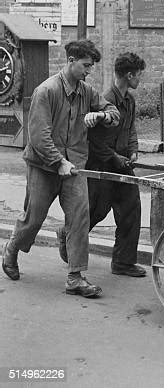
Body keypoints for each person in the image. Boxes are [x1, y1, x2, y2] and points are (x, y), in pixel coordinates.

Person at [2, 40, 120, 298]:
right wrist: (59, 162)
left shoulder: (86, 91)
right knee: (33, 218)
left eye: (91, 66)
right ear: (71, 60)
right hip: (44, 166)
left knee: (79, 217)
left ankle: (75, 277)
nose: (89, 71)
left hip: (74, 166)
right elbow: (39, 136)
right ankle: (12, 247)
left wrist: (101, 116)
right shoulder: (46, 91)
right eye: (86, 65)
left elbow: (113, 112)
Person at [57, 52, 147, 277]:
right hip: (102, 163)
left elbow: (131, 128)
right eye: (139, 75)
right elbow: (95, 141)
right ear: (129, 75)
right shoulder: (106, 100)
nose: (140, 79)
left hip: (123, 161)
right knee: (97, 209)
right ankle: (66, 235)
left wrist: (133, 150)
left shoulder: (130, 100)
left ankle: (123, 263)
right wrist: (116, 158)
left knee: (131, 209)